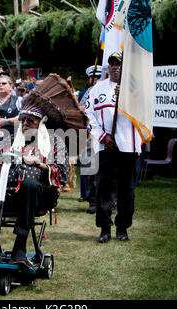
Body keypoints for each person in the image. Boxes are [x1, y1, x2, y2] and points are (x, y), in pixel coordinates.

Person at [0, 73, 86, 267]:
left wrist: (39, 164)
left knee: (30, 184)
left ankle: (19, 248)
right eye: (23, 119)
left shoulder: (54, 142)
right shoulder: (11, 140)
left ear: (41, 123)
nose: (26, 124)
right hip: (6, 193)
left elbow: (62, 174)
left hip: (37, 197)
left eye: (31, 120)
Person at [86, 52, 142, 243]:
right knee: (103, 187)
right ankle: (104, 228)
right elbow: (89, 116)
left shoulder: (135, 88)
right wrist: (103, 137)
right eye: (112, 63)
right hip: (105, 147)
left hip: (128, 145)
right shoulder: (97, 89)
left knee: (127, 189)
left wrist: (126, 98)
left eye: (119, 63)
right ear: (108, 67)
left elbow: (143, 116)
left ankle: (122, 227)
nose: (116, 67)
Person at [78, 65, 102, 213]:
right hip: (88, 135)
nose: (95, 80)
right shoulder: (85, 94)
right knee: (89, 170)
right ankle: (92, 201)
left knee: (107, 171)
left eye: (98, 77)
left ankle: (109, 202)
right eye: (93, 78)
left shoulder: (109, 90)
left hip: (104, 136)